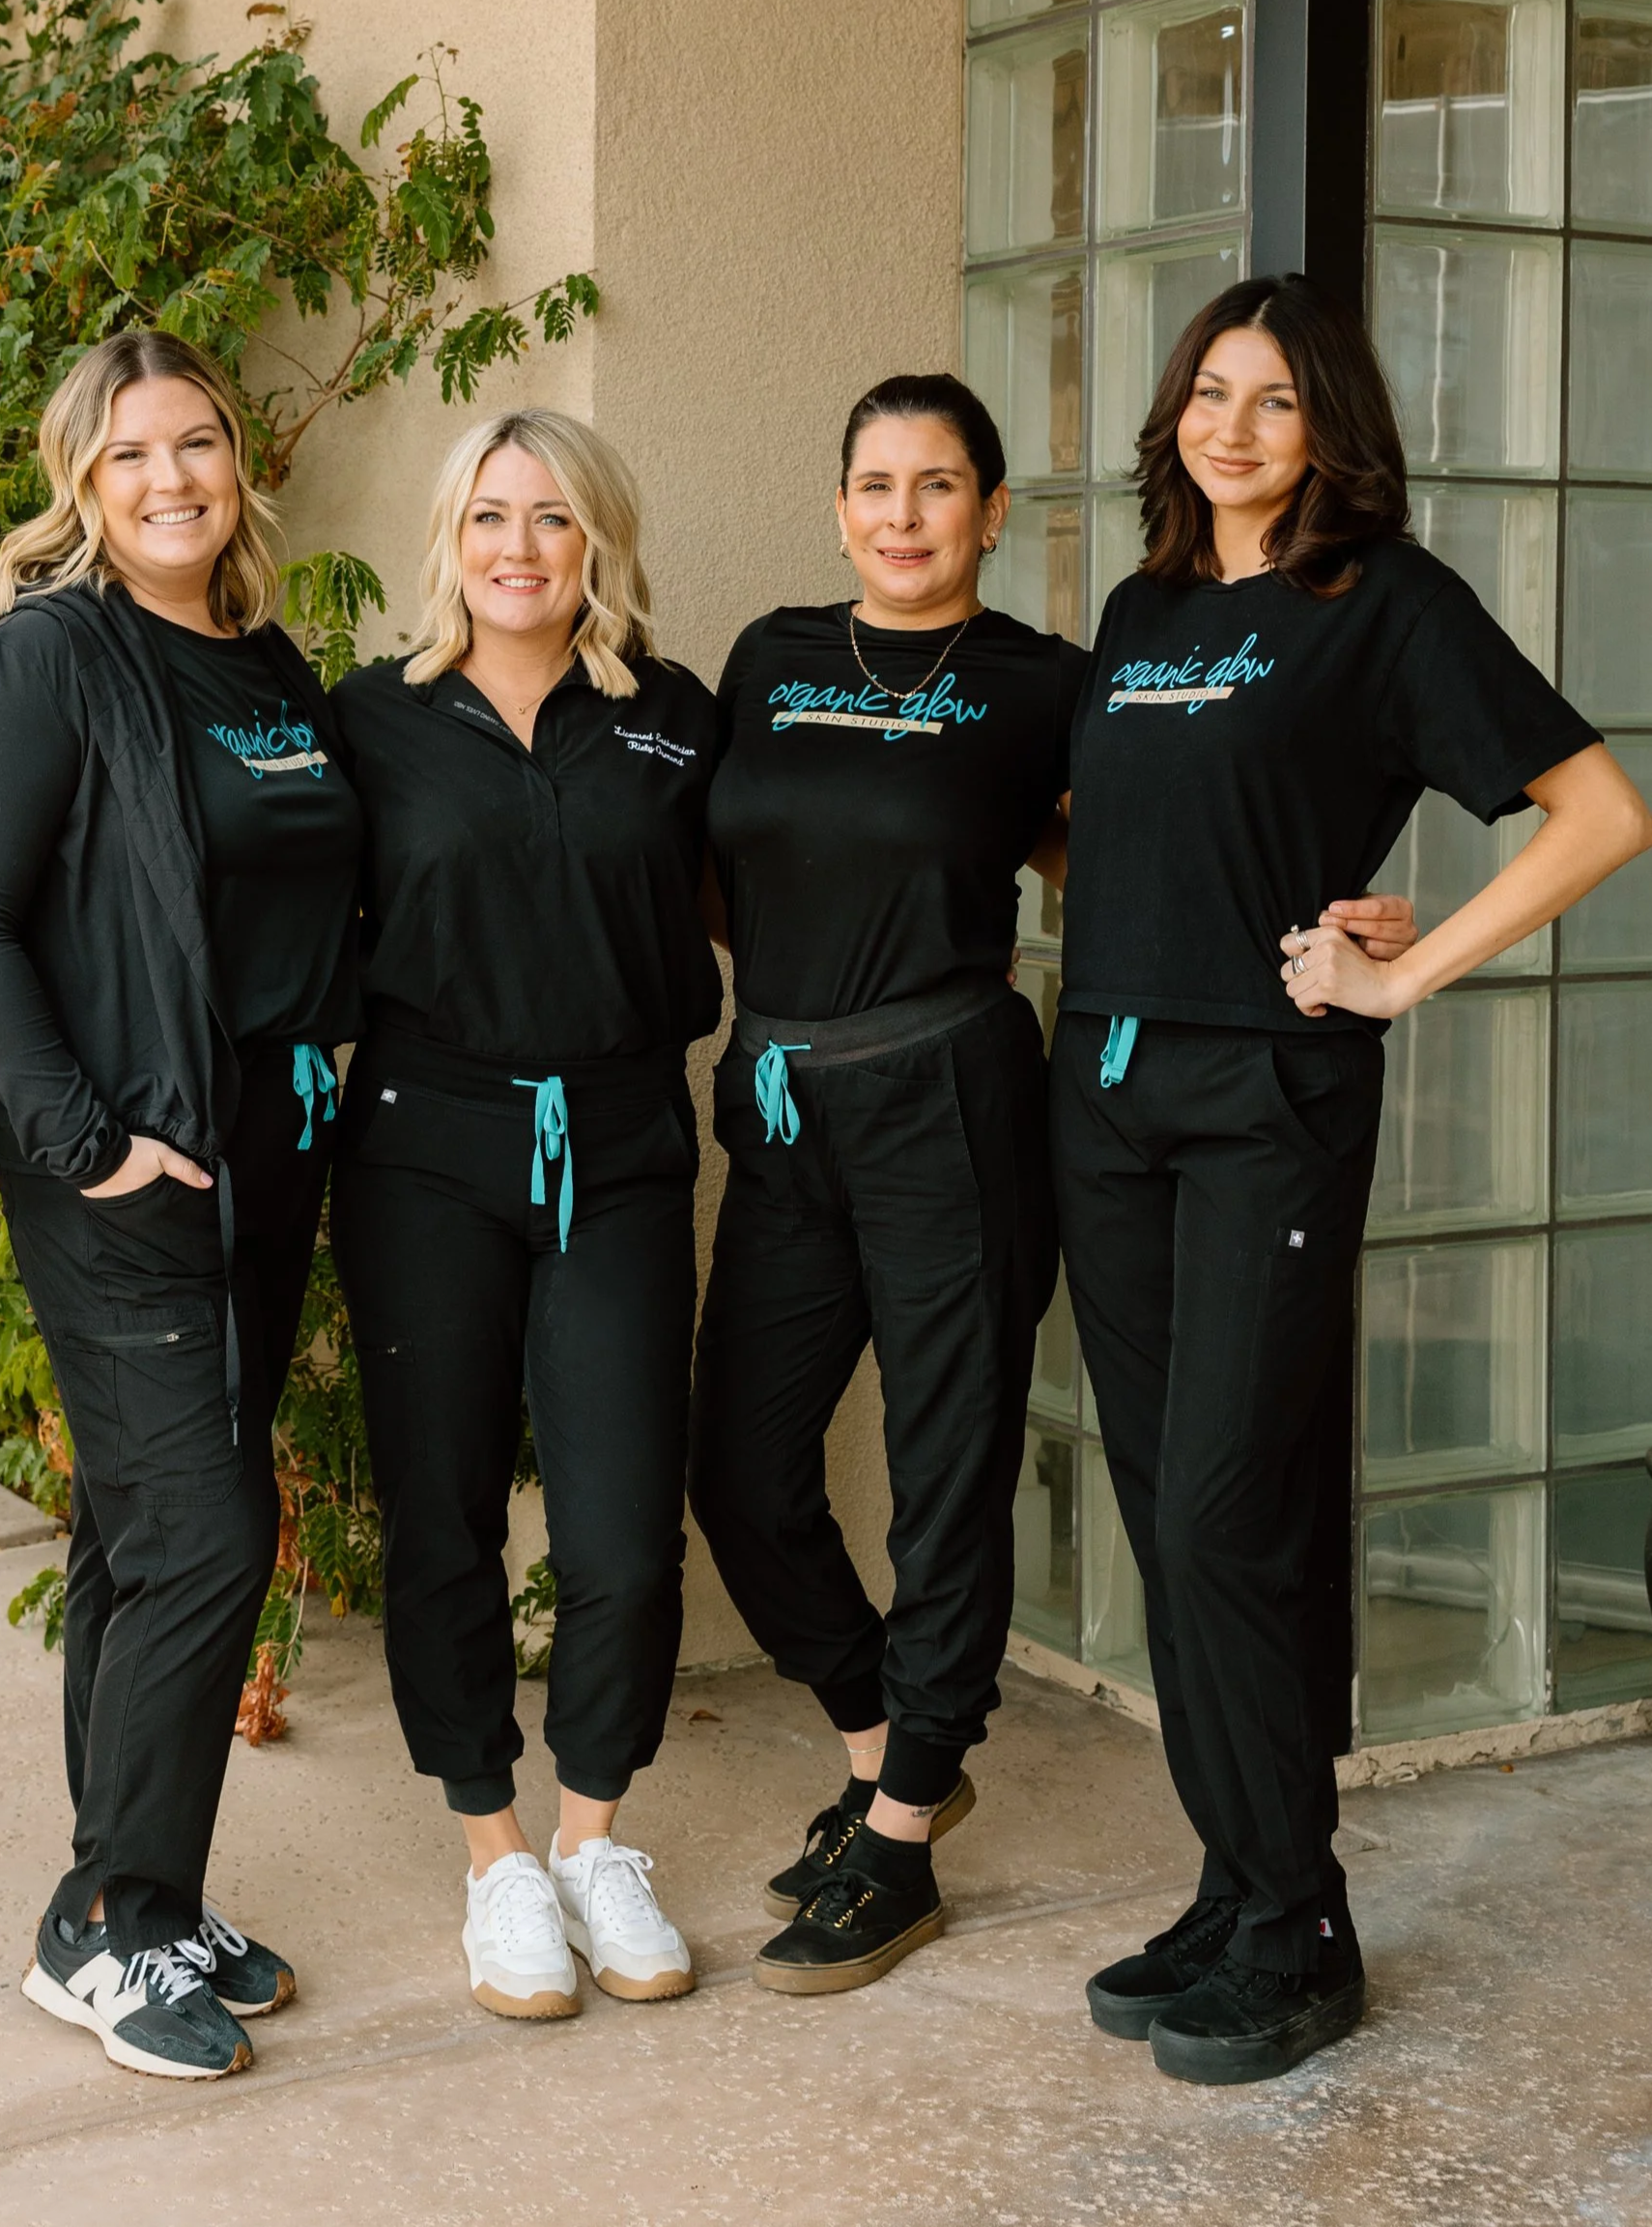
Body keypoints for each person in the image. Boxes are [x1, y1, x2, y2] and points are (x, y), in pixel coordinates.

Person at [687, 371, 1414, 1999]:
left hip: (953, 1099)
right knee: (737, 1465)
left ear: (991, 512)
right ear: (840, 505)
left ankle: (891, 1837)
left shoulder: (1044, 686)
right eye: (873, 484)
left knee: (947, 1480)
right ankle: (900, 1747)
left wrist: (1350, 920)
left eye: (937, 486)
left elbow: (1153, 858)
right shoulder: (769, 657)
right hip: (787, 1091)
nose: (901, 515)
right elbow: (725, 872)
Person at [1052, 273, 1652, 2086]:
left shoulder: (1380, 603)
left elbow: (1600, 810)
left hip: (1265, 1103)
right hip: (1109, 1091)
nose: (1230, 428)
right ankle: (1236, 1880)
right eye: (1207, 394)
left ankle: (1300, 1922)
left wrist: (1401, 963)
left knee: (1230, 1510)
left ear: (1330, 433)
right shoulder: (1145, 603)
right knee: (1169, 1510)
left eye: (1275, 403)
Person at [0, 330, 361, 2080]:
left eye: (197, 443)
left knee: (146, 1538)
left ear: (239, 462)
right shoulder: (58, 654)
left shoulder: (267, 658)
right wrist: (82, 1139)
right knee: (211, 1532)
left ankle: (142, 1895)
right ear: (83, 474)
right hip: (129, 1170)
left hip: (264, 1162)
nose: (170, 479)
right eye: (131, 453)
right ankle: (103, 1923)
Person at [329, 410, 718, 2020]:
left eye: (550, 518)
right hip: (427, 1143)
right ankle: (494, 1854)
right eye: (489, 516)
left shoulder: (674, 718)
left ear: (597, 542)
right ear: (452, 538)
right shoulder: (369, 717)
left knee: (624, 1533)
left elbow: (808, 863)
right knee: (446, 1513)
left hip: (621, 1142)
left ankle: (592, 1838)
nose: (516, 547)